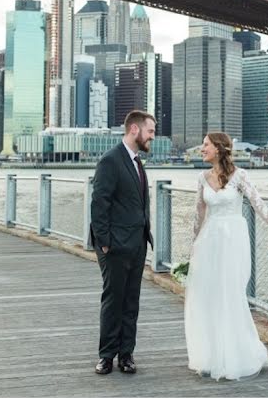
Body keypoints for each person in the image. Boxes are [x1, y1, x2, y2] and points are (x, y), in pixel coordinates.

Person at [185, 132, 268, 380]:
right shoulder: (202, 178)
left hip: (234, 240)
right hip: (210, 242)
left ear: (219, 149)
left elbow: (259, 204)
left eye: (206, 145)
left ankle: (237, 354)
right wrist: (192, 248)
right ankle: (214, 355)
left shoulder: (240, 176)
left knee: (231, 293)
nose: (202, 149)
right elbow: (198, 217)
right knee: (211, 296)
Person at [89, 110, 156, 375]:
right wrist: (104, 243)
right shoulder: (111, 160)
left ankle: (126, 355)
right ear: (135, 130)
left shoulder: (137, 162)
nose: (153, 136)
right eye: (150, 131)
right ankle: (106, 356)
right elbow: (99, 203)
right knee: (113, 300)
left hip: (137, 243)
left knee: (131, 301)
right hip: (115, 246)